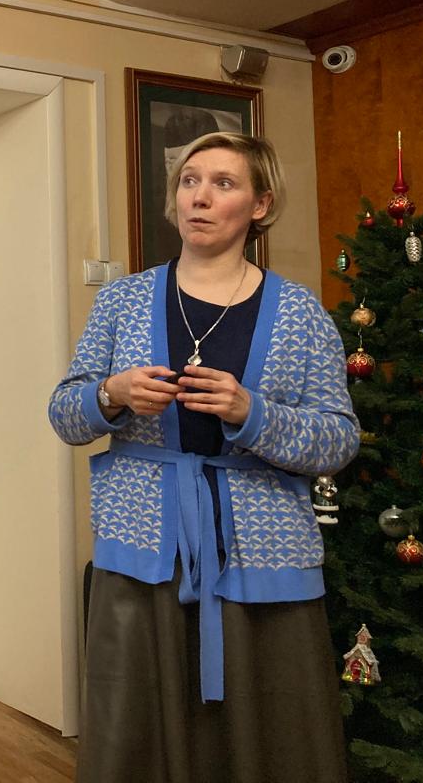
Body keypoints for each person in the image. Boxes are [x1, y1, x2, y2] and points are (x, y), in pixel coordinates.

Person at [48, 132, 357, 783]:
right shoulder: (122, 300)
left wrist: (253, 414)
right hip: (143, 548)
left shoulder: (300, 314)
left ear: (260, 205)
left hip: (263, 555)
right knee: (135, 729)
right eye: (189, 181)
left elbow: (338, 440)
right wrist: (111, 394)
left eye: (224, 183)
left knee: (271, 731)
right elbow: (64, 414)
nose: (201, 197)